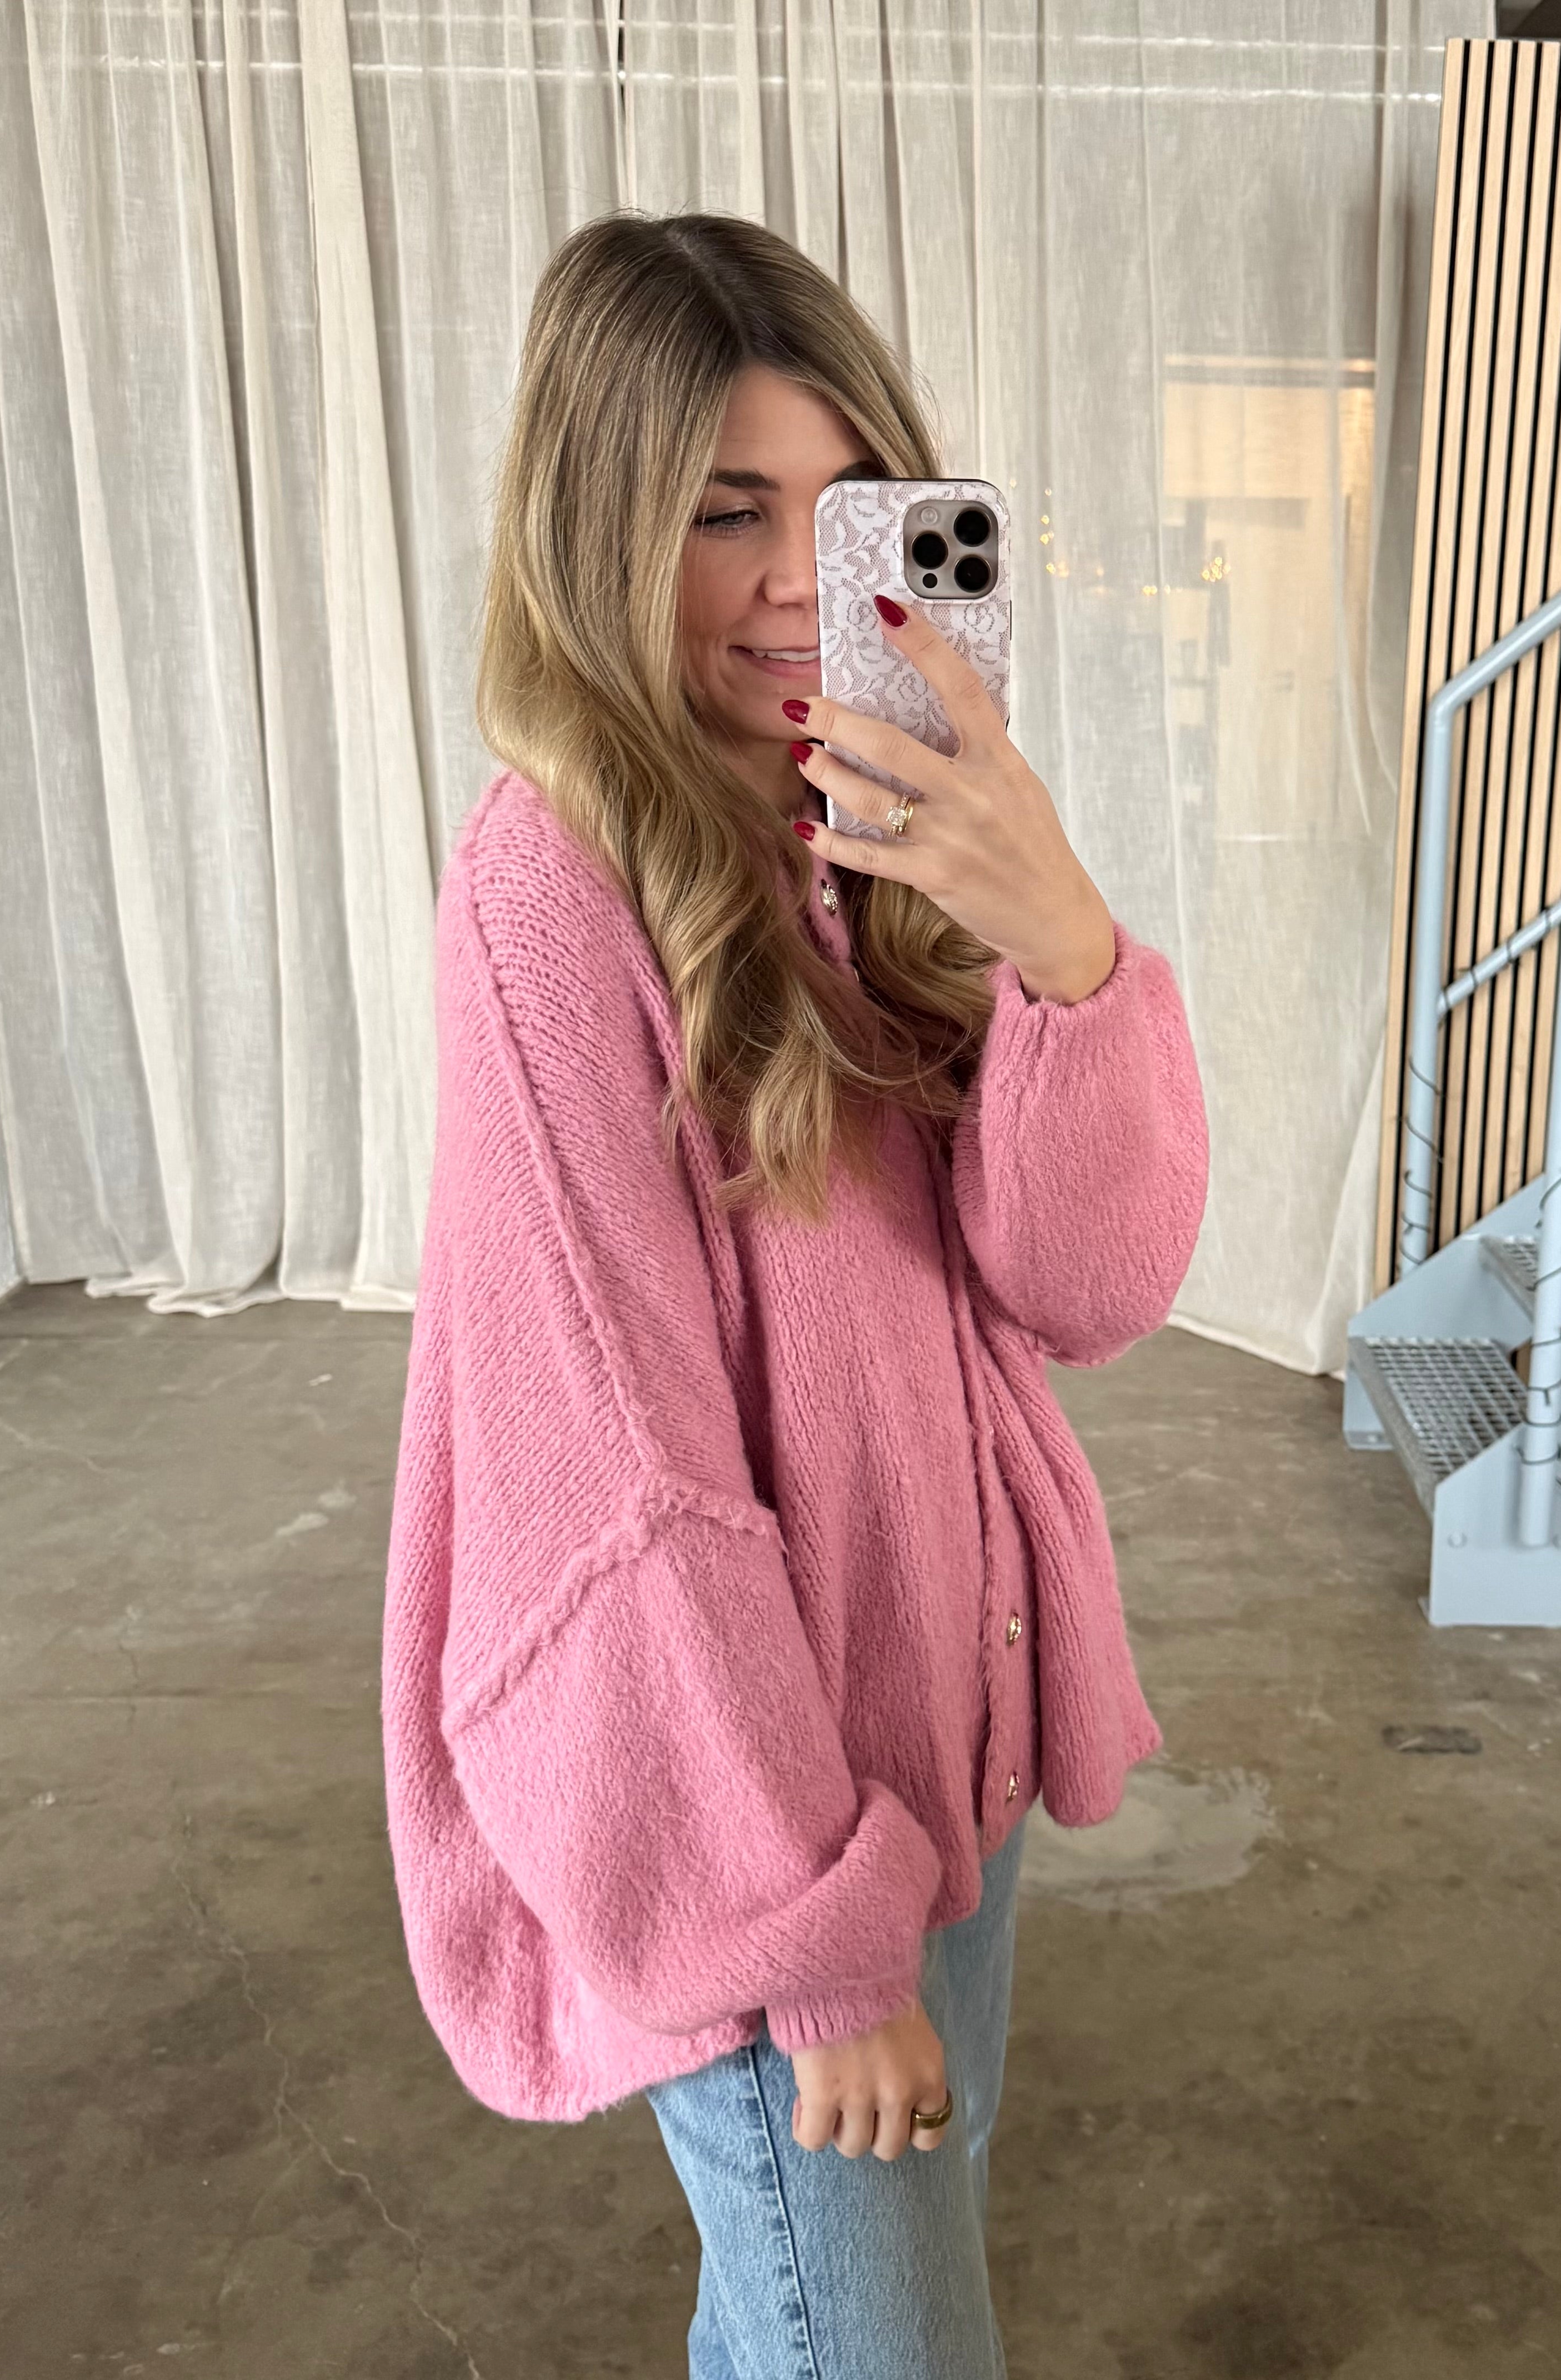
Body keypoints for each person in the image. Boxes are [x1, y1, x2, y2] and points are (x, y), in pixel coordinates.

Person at [378, 212, 1208, 2379]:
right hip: (771, 1839)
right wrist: (813, 1942)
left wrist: (1062, 943)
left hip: (941, 1761)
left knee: (802, 2320)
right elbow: (614, 1474)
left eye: (842, 513)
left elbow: (1087, 1289)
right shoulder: (556, 890)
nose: (786, 582)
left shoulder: (875, 836)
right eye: (722, 510)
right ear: (600, 525)